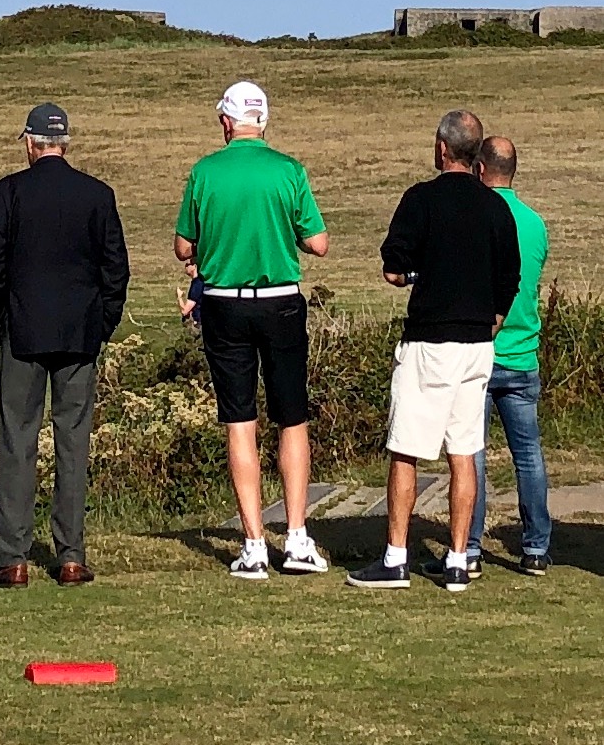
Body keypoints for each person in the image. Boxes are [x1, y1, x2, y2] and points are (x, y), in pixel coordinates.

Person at [348, 111, 521, 593]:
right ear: (476, 154)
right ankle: (458, 559)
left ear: (442, 149)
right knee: (463, 451)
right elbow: (509, 277)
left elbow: (393, 267)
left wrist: (415, 274)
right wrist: (492, 320)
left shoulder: (421, 199)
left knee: (406, 448)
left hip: (430, 340)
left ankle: (395, 556)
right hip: (478, 344)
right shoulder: (496, 208)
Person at [173, 81, 332, 579]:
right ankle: (298, 538)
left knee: (240, 420)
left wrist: (211, 247)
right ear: (263, 121)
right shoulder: (288, 170)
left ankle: (254, 544)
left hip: (224, 305)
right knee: (292, 418)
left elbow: (183, 247)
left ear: (227, 121)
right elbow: (318, 242)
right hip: (281, 301)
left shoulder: (205, 172)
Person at [0, 103, 130, 589]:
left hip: (22, 332)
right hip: (79, 335)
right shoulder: (97, 194)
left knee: (17, 440)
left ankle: (13, 557)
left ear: (30, 142)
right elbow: (115, 270)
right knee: (73, 442)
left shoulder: (7, 193)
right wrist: (101, 324)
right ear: (64, 143)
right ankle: (71, 556)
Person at [455, 136, 553, 577]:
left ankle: (470, 546)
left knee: (471, 453)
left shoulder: (475, 217)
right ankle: (536, 547)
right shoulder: (534, 223)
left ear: (480, 169)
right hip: (522, 351)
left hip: (479, 350)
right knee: (528, 454)